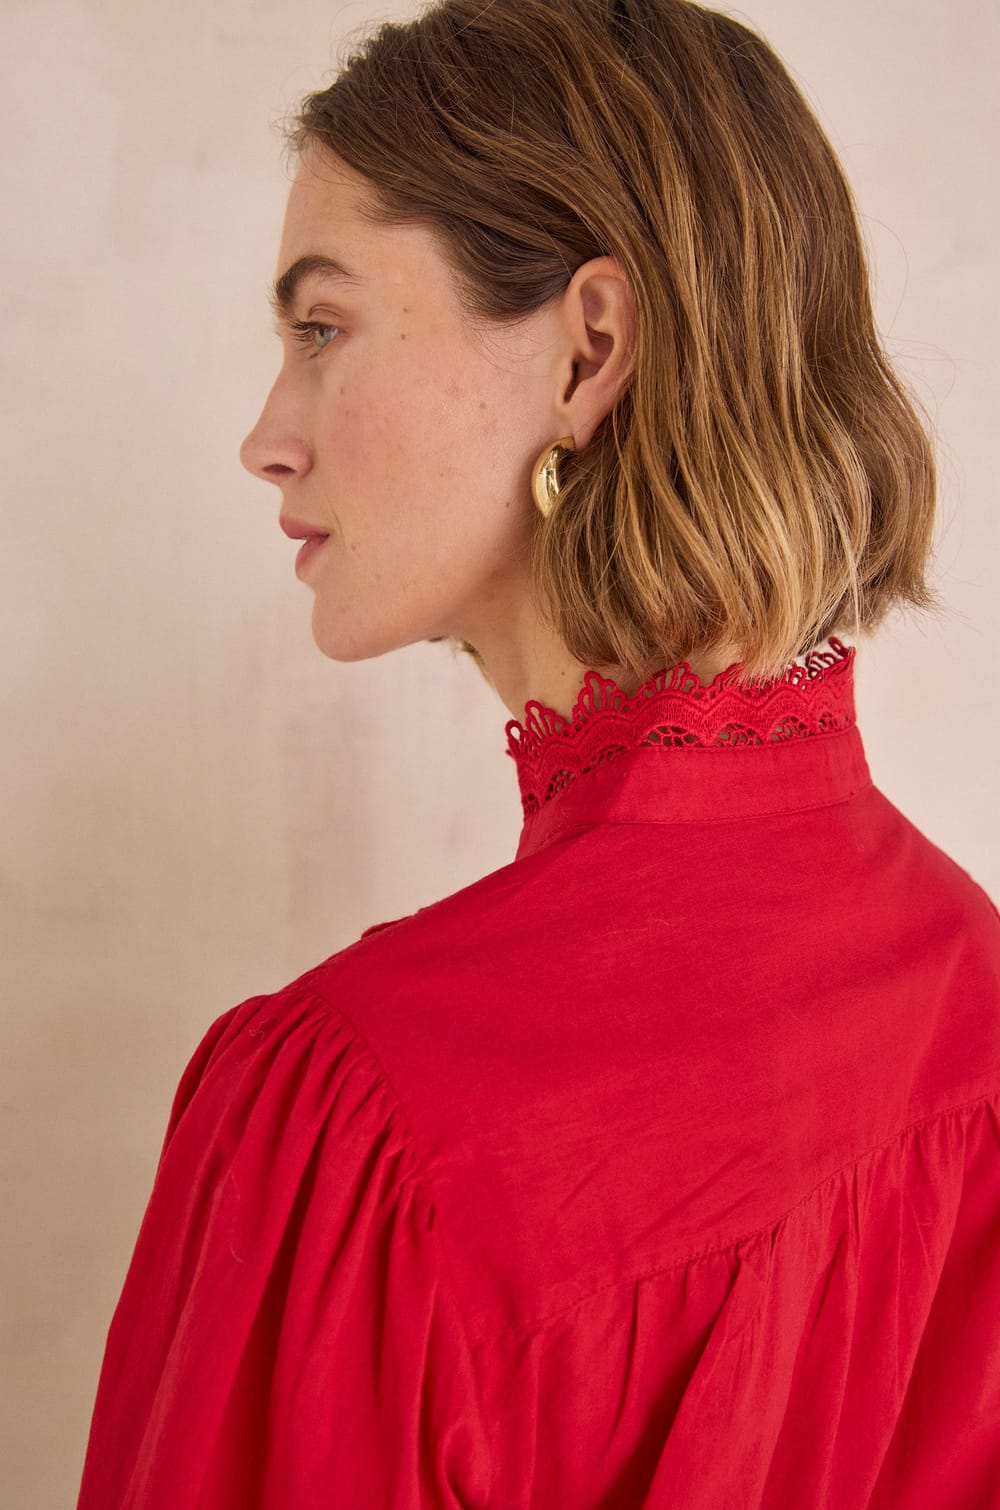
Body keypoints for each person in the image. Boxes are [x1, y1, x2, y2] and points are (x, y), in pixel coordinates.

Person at [75, 1, 1000, 1506]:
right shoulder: (978, 1001)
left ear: (589, 349)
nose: (268, 433)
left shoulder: (357, 1121)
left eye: (323, 327)